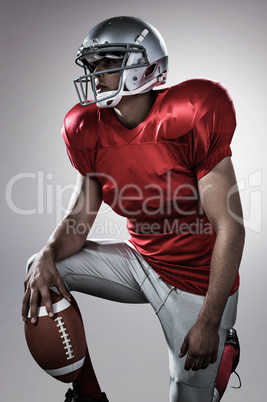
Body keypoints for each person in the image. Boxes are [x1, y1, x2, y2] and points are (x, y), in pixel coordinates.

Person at [22, 16, 245, 402]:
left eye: (108, 62)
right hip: (140, 261)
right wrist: (47, 253)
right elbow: (79, 220)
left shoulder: (192, 114)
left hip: (198, 281)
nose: (97, 74)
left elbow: (230, 226)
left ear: (145, 65)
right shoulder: (85, 128)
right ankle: (88, 394)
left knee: (189, 396)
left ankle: (222, 355)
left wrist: (209, 321)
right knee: (42, 270)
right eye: (93, 65)